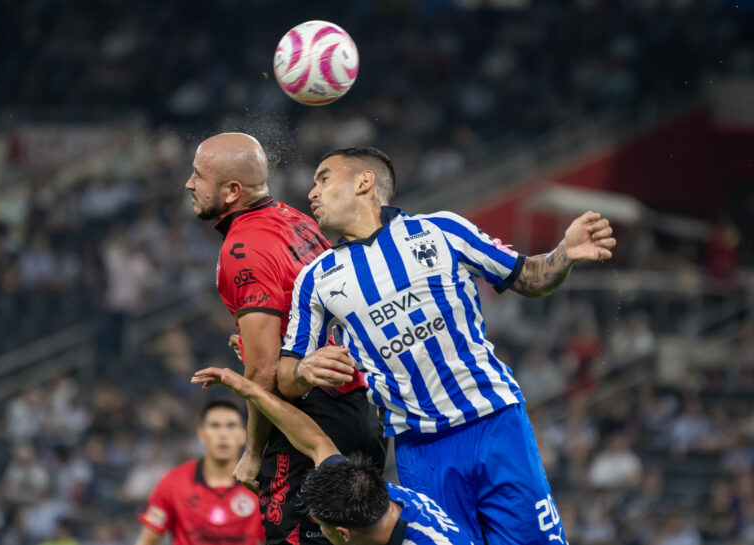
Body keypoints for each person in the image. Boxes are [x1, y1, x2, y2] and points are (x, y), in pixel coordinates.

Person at [215, 145, 615, 545]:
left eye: (324, 179)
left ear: (364, 182)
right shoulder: (316, 278)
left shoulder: (442, 230)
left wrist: (565, 254)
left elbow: (528, 276)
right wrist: (303, 371)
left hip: (494, 421)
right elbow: (284, 375)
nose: (312, 193)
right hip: (419, 448)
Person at [185, 133, 385, 545]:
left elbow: (263, 371)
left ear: (231, 191)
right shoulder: (296, 219)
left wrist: (253, 453)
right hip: (357, 411)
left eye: (198, 175)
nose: (189, 184)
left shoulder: (242, 249)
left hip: (310, 419)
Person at [192, 367, 473, 545]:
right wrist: (250, 388)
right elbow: (315, 441)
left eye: (323, 528)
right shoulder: (366, 492)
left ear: (342, 534)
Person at [135, 399, 263, 545]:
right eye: (215, 426)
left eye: (231, 426)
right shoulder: (172, 483)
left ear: (243, 435)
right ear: (201, 435)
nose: (223, 434)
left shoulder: (259, 486)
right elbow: (146, 541)